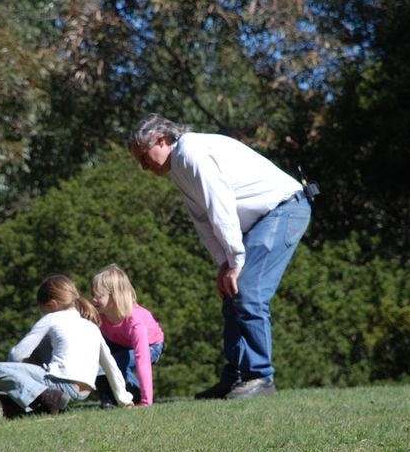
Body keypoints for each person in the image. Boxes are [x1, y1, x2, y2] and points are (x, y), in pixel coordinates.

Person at [128, 113, 311, 400]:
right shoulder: (179, 168)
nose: (143, 166)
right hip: (263, 220)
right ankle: (237, 378)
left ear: (160, 140)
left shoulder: (191, 153)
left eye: (143, 156)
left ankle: (260, 378)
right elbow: (203, 220)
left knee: (248, 292)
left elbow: (220, 207)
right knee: (232, 292)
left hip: (284, 209)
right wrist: (224, 263)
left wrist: (235, 260)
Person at [0, 274, 134, 416]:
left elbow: (18, 354)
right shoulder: (92, 326)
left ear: (52, 305)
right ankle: (46, 401)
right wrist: (124, 399)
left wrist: (16, 375)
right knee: (45, 345)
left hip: (62, 385)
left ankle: (46, 397)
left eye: (43, 309)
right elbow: (110, 366)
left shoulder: (51, 318)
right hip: (83, 393)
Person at [90, 264, 165, 408]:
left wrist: (146, 401)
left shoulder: (135, 321)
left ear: (115, 296)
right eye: (92, 294)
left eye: (98, 295)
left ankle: (134, 392)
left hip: (151, 346)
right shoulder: (99, 316)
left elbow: (142, 361)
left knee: (113, 363)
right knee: (101, 365)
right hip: (120, 342)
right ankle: (113, 396)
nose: (93, 299)